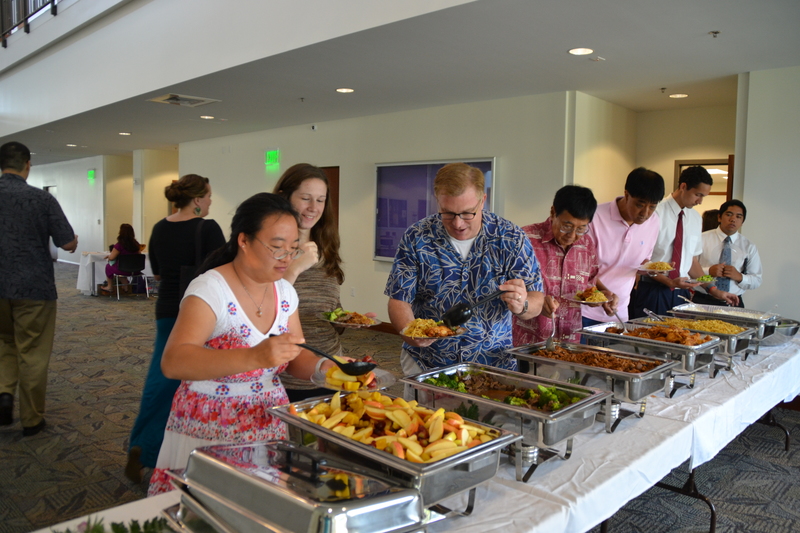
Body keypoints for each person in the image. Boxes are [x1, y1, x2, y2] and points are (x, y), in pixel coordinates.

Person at [147, 193, 336, 495]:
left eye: (292, 249)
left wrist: (330, 369)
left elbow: (295, 356)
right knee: (207, 511)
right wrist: (255, 357)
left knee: (259, 508)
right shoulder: (211, 288)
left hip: (266, 415)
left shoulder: (285, 293)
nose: (286, 259)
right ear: (244, 240)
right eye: (276, 248)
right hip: (210, 420)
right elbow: (174, 361)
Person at [385, 162, 544, 375]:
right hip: (427, 362)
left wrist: (522, 305)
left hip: (492, 364)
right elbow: (399, 299)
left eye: (468, 213)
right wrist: (412, 333)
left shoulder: (511, 237)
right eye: (448, 213)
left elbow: (537, 299)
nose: (458, 224)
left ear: (482, 201)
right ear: (438, 202)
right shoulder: (417, 237)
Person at [124, 174, 225, 483]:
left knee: (162, 374)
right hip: (198, 308)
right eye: (207, 196)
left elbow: (155, 267)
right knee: (190, 380)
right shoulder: (207, 228)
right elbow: (223, 269)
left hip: (167, 306)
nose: (210, 202)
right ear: (197, 200)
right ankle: (162, 448)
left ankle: (145, 444)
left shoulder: (159, 227)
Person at [0, 141, 78, 436]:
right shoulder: (41, 199)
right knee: (32, 351)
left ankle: (4, 393)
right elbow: (67, 243)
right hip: (34, 288)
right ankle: (31, 419)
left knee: (4, 343)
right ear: (27, 165)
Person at [273, 163, 345, 402]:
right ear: (284, 197)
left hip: (331, 368)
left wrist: (342, 318)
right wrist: (294, 267)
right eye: (305, 198)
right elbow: (260, 311)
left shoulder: (326, 246)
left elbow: (328, 304)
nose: (314, 208)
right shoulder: (270, 248)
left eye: (321, 200)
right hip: (286, 376)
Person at [513, 185, 617, 345]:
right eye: (566, 226)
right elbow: (509, 288)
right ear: (553, 212)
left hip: (571, 340)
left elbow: (589, 284)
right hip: (529, 342)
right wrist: (536, 303)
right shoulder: (525, 240)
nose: (573, 235)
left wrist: (604, 296)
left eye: (581, 228)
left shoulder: (586, 244)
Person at [629, 166, 737, 318]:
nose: (699, 201)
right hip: (653, 289)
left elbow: (691, 261)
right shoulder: (655, 212)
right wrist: (669, 282)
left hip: (682, 293)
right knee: (649, 337)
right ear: (683, 186)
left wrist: (713, 290)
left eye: (703, 197)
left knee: (681, 338)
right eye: (697, 195)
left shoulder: (695, 219)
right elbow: (640, 258)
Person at [583, 168, 664, 327]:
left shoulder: (654, 222)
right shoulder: (595, 217)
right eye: (640, 205)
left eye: (652, 207)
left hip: (619, 312)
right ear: (626, 195)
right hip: (585, 311)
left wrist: (649, 268)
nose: (645, 213)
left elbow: (641, 263)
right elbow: (581, 268)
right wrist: (604, 294)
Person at [694, 200, 762, 308]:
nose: (733, 219)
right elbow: (686, 271)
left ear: (742, 221)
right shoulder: (701, 239)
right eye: (729, 214)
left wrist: (739, 276)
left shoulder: (749, 246)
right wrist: (708, 271)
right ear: (719, 217)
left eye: (738, 216)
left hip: (734, 302)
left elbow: (757, 280)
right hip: (703, 300)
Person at [101, 223, 143, 293]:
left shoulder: (119, 245)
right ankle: (126, 286)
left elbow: (111, 258)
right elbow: (139, 256)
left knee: (109, 267)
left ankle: (109, 286)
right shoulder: (136, 244)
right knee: (122, 267)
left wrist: (109, 256)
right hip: (136, 270)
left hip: (122, 270)